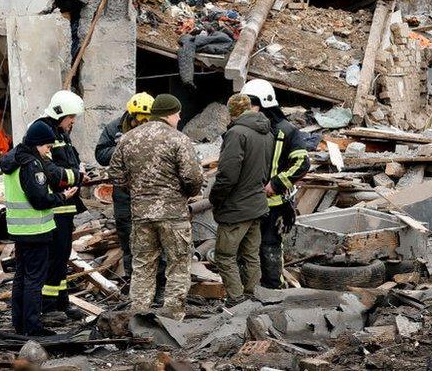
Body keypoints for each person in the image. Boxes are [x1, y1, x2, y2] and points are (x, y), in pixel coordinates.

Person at [107, 93, 204, 320]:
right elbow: (193, 177)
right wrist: (185, 194)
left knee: (142, 266)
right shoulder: (178, 139)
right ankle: (172, 316)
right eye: (178, 114)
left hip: (141, 214)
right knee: (178, 264)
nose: (179, 118)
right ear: (170, 114)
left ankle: (137, 315)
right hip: (173, 215)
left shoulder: (129, 139)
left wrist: (138, 192)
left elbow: (115, 175)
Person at [0, 121, 78, 336]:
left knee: (21, 278)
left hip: (19, 230)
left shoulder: (12, 161)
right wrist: (63, 197)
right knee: (35, 280)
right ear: (37, 144)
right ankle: (32, 326)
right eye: (47, 148)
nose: (48, 152)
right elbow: (40, 199)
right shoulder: (31, 164)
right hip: (36, 231)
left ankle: (20, 323)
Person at [94, 92, 167, 299]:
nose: (141, 124)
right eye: (139, 119)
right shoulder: (115, 128)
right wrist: (124, 147)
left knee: (156, 242)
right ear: (130, 114)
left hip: (152, 194)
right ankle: (136, 289)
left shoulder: (160, 129)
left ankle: (159, 289)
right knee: (129, 241)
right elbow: (100, 155)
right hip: (125, 195)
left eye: (147, 120)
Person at [240, 79, 311, 289]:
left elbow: (302, 163)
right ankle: (249, 292)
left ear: (262, 104)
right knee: (246, 250)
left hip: (273, 204)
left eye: (249, 104)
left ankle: (273, 292)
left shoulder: (287, 131)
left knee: (269, 248)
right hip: (248, 203)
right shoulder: (244, 129)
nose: (246, 110)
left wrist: (276, 184)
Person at [210, 94, 273, 307]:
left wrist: (215, 198)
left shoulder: (236, 133)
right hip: (256, 203)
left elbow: (227, 175)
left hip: (236, 207)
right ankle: (254, 297)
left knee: (225, 256)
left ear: (232, 112)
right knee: (251, 255)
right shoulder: (267, 132)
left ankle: (236, 302)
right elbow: (265, 171)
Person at [29, 90, 86, 320]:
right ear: (60, 113)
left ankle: (61, 302)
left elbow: (69, 161)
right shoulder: (43, 132)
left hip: (66, 206)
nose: (73, 121)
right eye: (71, 116)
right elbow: (51, 172)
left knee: (62, 256)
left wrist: (79, 172)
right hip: (54, 208)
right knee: (54, 258)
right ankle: (49, 306)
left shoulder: (61, 133)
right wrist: (77, 176)